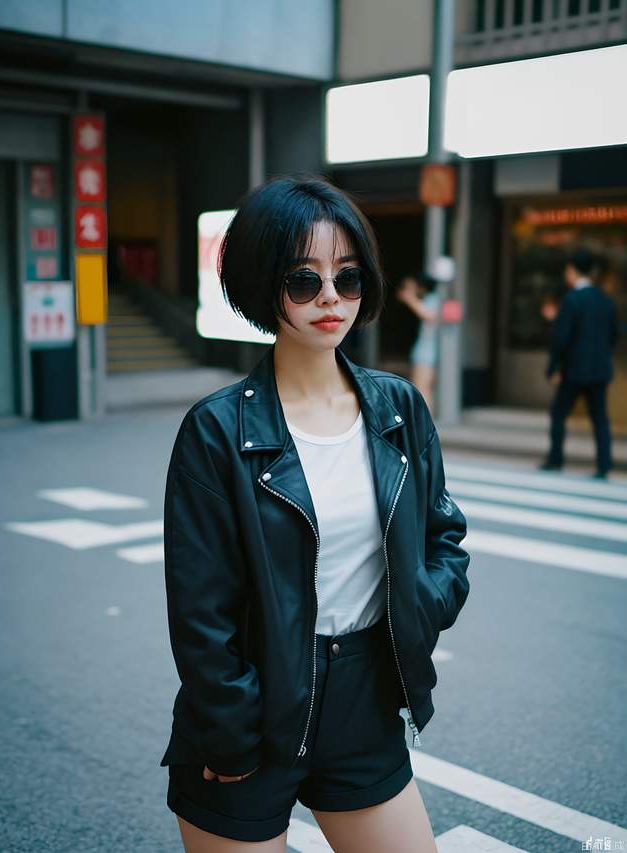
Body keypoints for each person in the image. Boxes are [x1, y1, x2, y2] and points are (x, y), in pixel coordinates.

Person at [159, 175, 470, 852]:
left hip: (366, 701)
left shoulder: (398, 409)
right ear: (264, 284)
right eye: (304, 280)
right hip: (252, 708)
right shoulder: (216, 430)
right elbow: (201, 611)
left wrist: (420, 601)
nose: (330, 297)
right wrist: (230, 730)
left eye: (347, 278)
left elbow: (445, 537)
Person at [540, 247, 619, 479]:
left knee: (558, 414)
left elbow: (561, 338)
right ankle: (604, 465)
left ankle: (555, 460)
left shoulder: (572, 300)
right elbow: (614, 335)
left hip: (573, 370)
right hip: (600, 369)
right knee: (600, 419)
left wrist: (553, 367)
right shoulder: (606, 300)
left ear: (572, 271)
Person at [395, 272, 441, 414]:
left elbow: (429, 316)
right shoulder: (433, 300)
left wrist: (410, 297)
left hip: (425, 352)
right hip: (427, 351)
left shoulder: (431, 300)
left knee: (422, 388)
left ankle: (424, 423)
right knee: (424, 388)